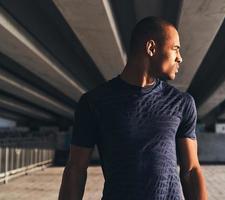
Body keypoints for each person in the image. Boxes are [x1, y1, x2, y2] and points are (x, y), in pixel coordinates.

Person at [58, 16, 208, 200]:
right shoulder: (94, 102)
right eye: (175, 49)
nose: (180, 57)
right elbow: (76, 170)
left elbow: (191, 170)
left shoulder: (181, 102)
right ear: (151, 48)